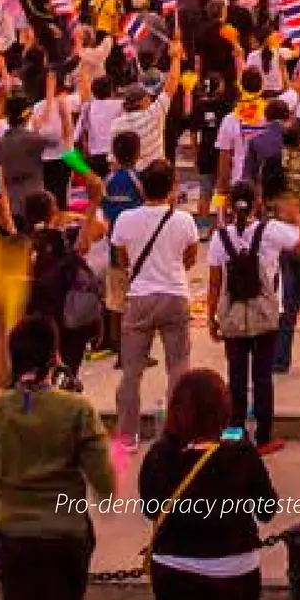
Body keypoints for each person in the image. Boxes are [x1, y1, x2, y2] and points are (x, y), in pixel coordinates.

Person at [0, 314, 115, 600]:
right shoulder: (77, 411)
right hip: (64, 536)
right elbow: (103, 482)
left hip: (11, 534)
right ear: (55, 357)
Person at [138, 365, 277, 600]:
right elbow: (267, 509)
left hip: (175, 565)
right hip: (235, 566)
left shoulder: (159, 455)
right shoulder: (241, 454)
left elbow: (150, 509)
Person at [111, 160, 201, 447]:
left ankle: (126, 435)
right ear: (173, 187)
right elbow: (190, 258)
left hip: (139, 298)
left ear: (141, 187)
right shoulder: (184, 220)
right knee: (178, 366)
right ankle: (175, 433)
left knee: (131, 371)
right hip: (175, 294)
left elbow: (123, 261)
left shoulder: (125, 219)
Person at [205, 181, 292, 449]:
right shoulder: (271, 231)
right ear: (257, 203)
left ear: (230, 206)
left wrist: (211, 317)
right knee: (263, 377)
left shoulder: (220, 238)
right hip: (266, 315)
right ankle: (264, 437)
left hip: (233, 316)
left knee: (237, 376)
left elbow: (215, 283)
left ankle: (234, 434)